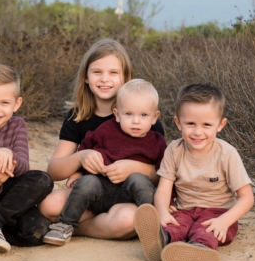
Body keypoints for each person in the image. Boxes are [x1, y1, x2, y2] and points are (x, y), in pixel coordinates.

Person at [39, 38, 164, 240]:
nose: (105, 79)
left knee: (127, 219)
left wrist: (134, 168)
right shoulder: (77, 116)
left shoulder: (144, 118)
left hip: (128, 199)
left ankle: (80, 226)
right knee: (48, 205)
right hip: (91, 193)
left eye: (113, 73)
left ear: (125, 77)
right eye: (97, 72)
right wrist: (81, 159)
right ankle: (78, 223)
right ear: (86, 77)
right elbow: (53, 171)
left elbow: (161, 174)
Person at [134, 83, 254, 261]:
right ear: (178, 123)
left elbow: (247, 197)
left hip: (218, 213)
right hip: (184, 210)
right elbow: (164, 189)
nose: (198, 132)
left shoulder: (227, 154)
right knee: (175, 225)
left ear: (220, 125)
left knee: (206, 231)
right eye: (190, 124)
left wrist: (226, 221)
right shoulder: (174, 150)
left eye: (207, 125)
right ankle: (160, 240)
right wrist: (163, 212)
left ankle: (200, 249)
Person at [0, 64, 54, 252]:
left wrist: (10, 153)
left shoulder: (18, 125)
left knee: (38, 228)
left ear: (17, 104)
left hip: (11, 199)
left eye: (4, 103)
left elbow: (23, 167)